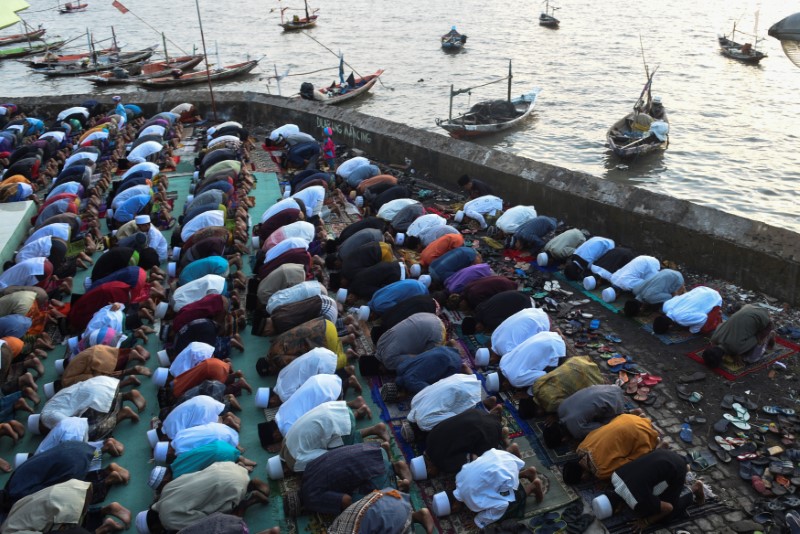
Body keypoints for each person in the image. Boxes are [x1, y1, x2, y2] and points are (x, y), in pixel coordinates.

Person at [284, 443, 412, 517]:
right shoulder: (307, 472)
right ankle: (389, 458)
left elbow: (346, 500)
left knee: (361, 504)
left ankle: (398, 485)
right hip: (371, 450)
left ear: (301, 509)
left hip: (374, 472)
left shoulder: (311, 499)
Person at [135, 462, 270, 532]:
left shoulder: (168, 520)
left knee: (221, 521)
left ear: (154, 528)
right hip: (228, 467)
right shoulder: (165, 491)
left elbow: (205, 521)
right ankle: (250, 484)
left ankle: (249, 500)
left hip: (233, 487)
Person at [592, 449, 706, 531]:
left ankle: (696, 487)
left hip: (676, 469)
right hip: (663, 454)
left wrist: (647, 521)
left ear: (617, 509)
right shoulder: (614, 477)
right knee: (651, 491)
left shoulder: (638, 502)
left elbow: (668, 508)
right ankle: (684, 468)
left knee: (666, 515)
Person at [435, 449, 543, 529]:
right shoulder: (458, 479)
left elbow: (502, 505)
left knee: (509, 502)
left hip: (506, 471)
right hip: (498, 456)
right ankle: (527, 472)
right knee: (493, 480)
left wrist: (479, 521)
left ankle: (533, 486)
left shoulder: (473, 501)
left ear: (454, 506)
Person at [561, 414, 661, 484]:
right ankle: (641, 418)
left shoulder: (600, 472)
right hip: (625, 418)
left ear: (583, 477)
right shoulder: (581, 447)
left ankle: (654, 439)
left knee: (634, 461)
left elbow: (626, 464)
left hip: (640, 434)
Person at [542, 384, 628, 447]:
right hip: (607, 387)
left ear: (564, 439)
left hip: (616, 400)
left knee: (609, 430)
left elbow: (602, 428)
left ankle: (632, 414)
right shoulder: (560, 409)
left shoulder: (578, 430)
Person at [328, 488, 434, 534]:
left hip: (396, 516)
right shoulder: (333, 529)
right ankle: (415, 515)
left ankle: (412, 517)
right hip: (387, 495)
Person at [703, 304, 775, 368]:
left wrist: (737, 354)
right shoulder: (714, 338)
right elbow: (722, 326)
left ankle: (770, 334)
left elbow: (756, 338)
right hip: (750, 307)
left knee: (751, 358)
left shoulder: (736, 348)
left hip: (766, 320)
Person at [654, 286, 723, 335]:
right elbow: (677, 297)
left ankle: (717, 313)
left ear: (670, 326)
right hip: (700, 289)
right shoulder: (665, 306)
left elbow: (703, 317)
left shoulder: (682, 320)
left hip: (715, 298)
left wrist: (693, 331)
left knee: (705, 330)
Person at [460, 290, 534, 335]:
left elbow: (509, 325)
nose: (481, 332)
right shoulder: (479, 308)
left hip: (527, 303)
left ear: (477, 327)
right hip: (521, 293)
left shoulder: (489, 320)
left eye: (478, 331)